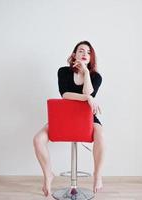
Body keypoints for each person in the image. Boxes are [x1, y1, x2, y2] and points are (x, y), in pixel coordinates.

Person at [33, 41, 105, 197]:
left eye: (88, 52)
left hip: (87, 118)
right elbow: (65, 94)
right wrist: (87, 98)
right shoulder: (63, 72)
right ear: (74, 55)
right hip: (65, 116)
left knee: (101, 134)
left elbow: (90, 93)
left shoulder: (96, 77)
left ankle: (97, 175)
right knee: (38, 140)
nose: (85, 53)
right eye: (81, 50)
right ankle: (48, 175)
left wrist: (86, 73)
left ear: (91, 57)